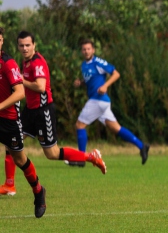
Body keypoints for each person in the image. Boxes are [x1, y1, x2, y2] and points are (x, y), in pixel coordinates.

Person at [2, 32, 106, 191]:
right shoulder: (26, 62)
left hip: (43, 112)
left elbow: (40, 86)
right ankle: (10, 184)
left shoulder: (37, 62)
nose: (25, 48)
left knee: (52, 153)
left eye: (28, 45)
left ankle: (90, 157)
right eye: (21, 45)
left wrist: (21, 80)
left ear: (34, 45)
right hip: (29, 111)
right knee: (11, 143)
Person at [73, 39, 149, 164]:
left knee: (80, 125)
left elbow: (116, 74)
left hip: (98, 100)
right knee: (116, 128)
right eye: (84, 49)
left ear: (93, 50)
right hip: (100, 102)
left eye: (88, 49)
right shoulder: (84, 65)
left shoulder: (98, 62)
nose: (86, 51)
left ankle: (81, 159)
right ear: (81, 51)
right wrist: (81, 83)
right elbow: (91, 80)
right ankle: (142, 146)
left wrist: (105, 85)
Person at [0, 27, 47, 216]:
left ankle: (38, 190)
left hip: (9, 120)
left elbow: (20, 93)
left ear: (1, 41)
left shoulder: (8, 64)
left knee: (19, 159)